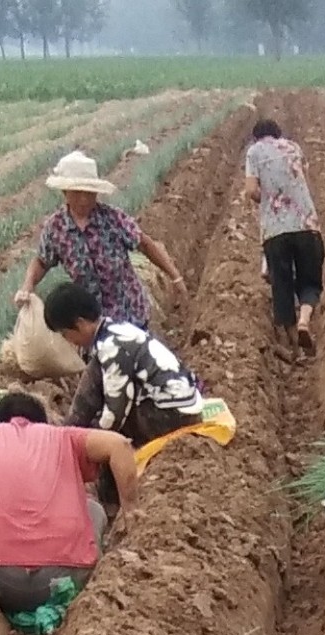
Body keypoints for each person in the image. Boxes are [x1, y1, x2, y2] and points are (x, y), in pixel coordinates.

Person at [0, 392, 139, 628]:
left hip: (0, 583)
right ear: (42, 422)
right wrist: (131, 510)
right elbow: (120, 445)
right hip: (67, 576)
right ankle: (91, 582)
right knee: (93, 509)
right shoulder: (63, 436)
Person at [14, 149, 183, 336]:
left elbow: (145, 244)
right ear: (64, 192)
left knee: (134, 361)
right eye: (77, 193)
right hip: (92, 325)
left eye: (89, 193)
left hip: (130, 315)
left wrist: (175, 277)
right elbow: (41, 261)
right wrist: (27, 285)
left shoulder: (112, 219)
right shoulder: (56, 228)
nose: (84, 199)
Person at [45, 280, 206, 449]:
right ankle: (67, 434)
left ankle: (68, 439)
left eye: (65, 334)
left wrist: (93, 439)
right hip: (182, 406)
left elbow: (115, 413)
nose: (69, 341)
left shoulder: (111, 347)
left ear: (80, 324)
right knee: (95, 375)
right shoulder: (117, 329)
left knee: (103, 426)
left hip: (171, 417)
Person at [242, 118, 324, 358]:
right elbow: (301, 177)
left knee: (282, 285)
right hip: (306, 223)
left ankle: (294, 349)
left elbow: (250, 190)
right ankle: (305, 321)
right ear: (278, 134)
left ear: (256, 137)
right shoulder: (293, 147)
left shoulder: (254, 152)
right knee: (310, 281)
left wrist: (265, 199)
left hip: (275, 231)